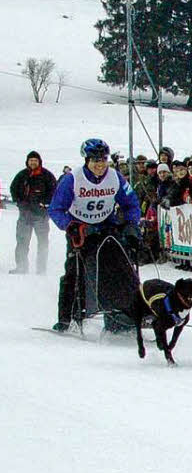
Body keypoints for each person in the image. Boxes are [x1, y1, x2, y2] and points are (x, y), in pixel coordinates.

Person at [48, 139, 141, 333]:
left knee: (119, 267)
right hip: (80, 229)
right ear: (87, 160)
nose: (100, 165)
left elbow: (131, 203)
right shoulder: (72, 179)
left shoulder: (115, 177)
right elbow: (56, 209)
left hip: (107, 226)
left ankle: (122, 315)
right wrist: (69, 226)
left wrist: (132, 225)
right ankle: (67, 318)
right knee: (75, 271)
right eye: (95, 160)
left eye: (103, 160)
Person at [9, 150, 57, 274]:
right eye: (31, 160)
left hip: (41, 216)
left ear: (39, 162)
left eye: (35, 160)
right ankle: (21, 267)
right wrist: (19, 202)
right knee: (22, 241)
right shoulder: (22, 175)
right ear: (27, 162)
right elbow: (13, 188)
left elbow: (54, 191)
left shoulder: (47, 175)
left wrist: (45, 203)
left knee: (42, 243)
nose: (33, 162)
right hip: (24, 215)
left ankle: (41, 270)